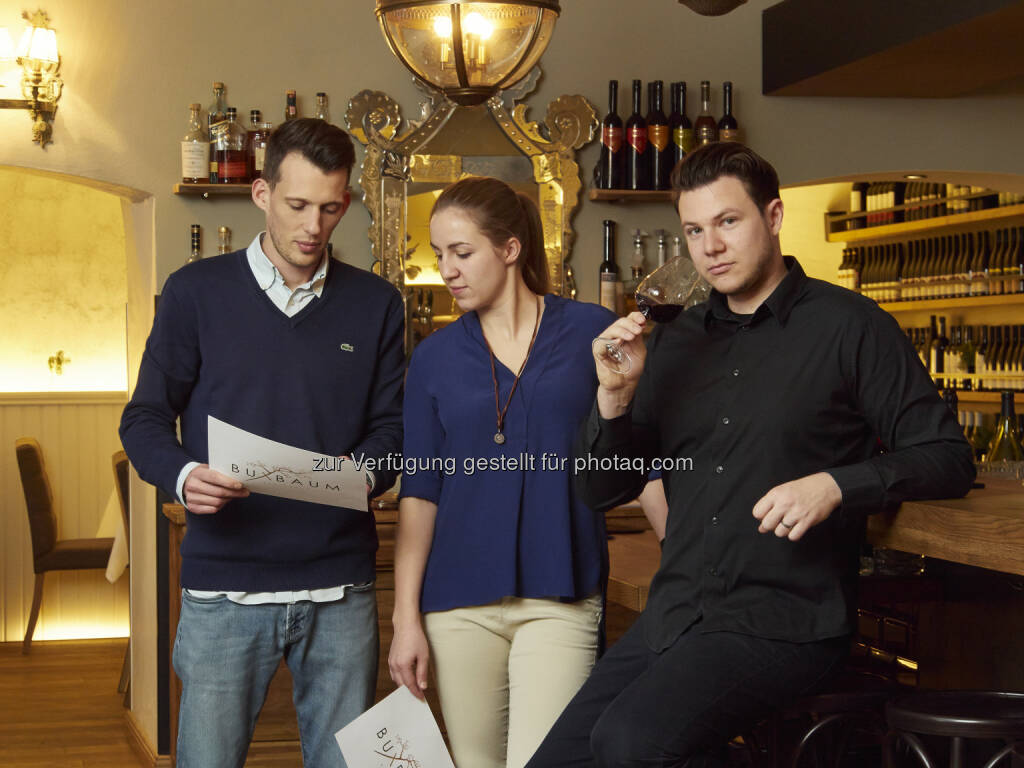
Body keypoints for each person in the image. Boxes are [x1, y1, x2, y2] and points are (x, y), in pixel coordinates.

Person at [526, 142, 976, 767]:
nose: (709, 246)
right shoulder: (675, 342)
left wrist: (836, 485)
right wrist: (613, 399)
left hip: (784, 621)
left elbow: (948, 457)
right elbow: (601, 490)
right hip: (677, 613)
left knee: (630, 742)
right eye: (693, 230)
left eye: (727, 222)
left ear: (773, 217)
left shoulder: (851, 326)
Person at [119, 118, 405, 768]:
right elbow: (143, 420)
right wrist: (186, 475)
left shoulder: (376, 304)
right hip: (224, 589)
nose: (313, 225)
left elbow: (393, 429)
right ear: (261, 193)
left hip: (341, 590)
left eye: (330, 208)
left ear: (347, 204)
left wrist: (364, 470)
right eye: (298, 204)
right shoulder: (195, 293)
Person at [388, 176, 616, 768]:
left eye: (462, 253)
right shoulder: (433, 358)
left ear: (510, 249)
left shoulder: (592, 332)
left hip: (561, 595)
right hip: (456, 603)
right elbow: (420, 492)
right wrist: (404, 617)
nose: (447, 270)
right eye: (439, 255)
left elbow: (637, 452)